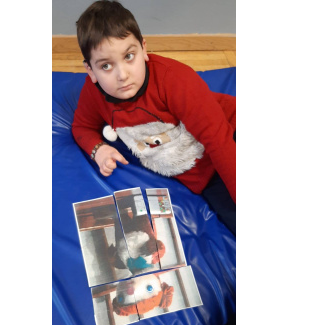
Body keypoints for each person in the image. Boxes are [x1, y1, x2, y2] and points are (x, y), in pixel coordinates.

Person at [72, 0, 236, 235]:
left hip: (230, 135)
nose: (122, 75)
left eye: (129, 56)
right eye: (106, 66)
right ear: (91, 71)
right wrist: (98, 149)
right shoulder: (93, 93)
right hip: (201, 172)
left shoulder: (176, 80)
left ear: (143, 49)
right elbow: (82, 126)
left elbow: (219, 142)